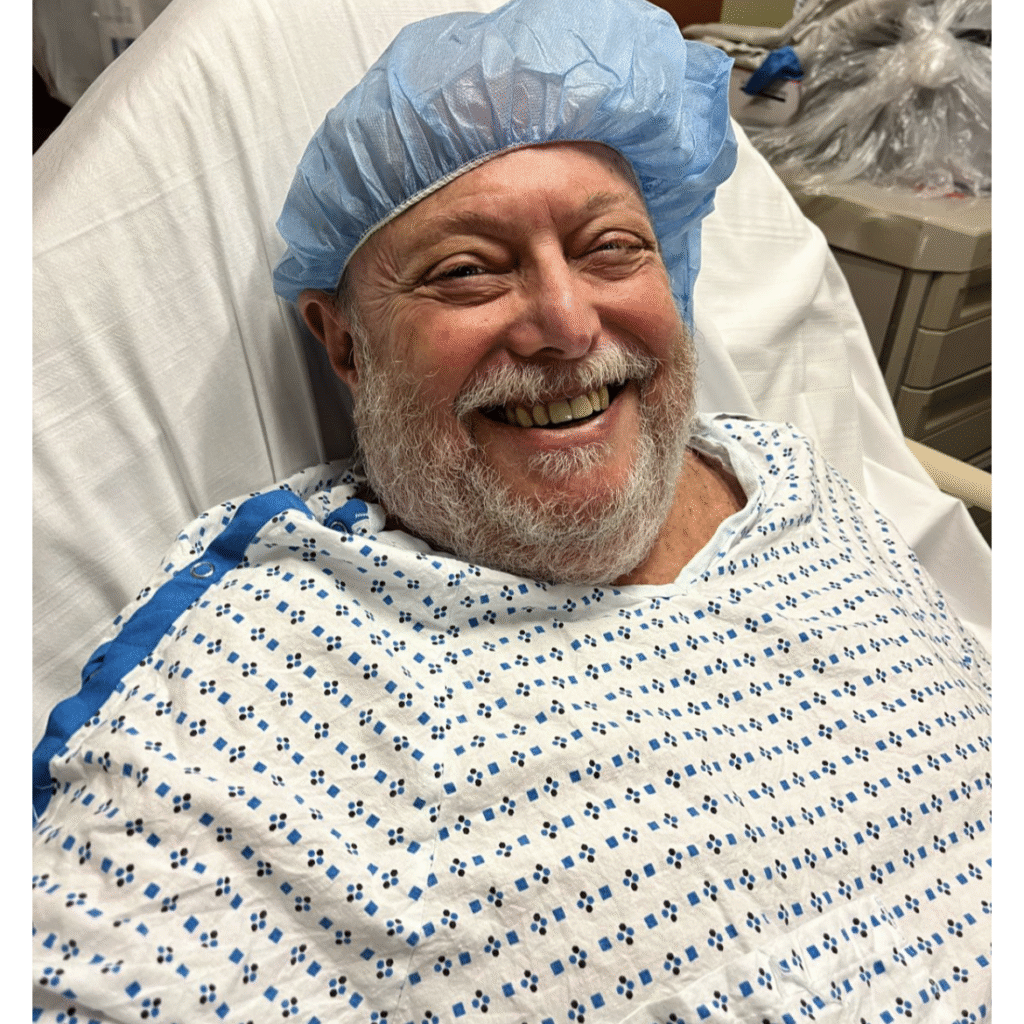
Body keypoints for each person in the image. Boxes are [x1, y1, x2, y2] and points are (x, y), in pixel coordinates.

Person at [32, 1, 991, 1022]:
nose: (566, 324)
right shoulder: (259, 667)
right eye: (467, 270)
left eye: (610, 247)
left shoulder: (797, 478)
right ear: (345, 345)